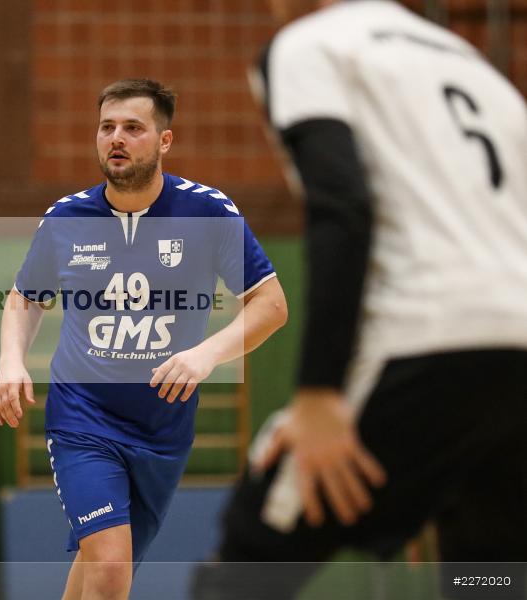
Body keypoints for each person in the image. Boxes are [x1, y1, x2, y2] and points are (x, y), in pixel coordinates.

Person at [192, 1, 527, 598]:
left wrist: (320, 395)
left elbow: (342, 206)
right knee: (490, 571)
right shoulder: (477, 68)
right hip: (517, 354)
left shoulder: (311, 45)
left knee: (250, 560)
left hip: (431, 336)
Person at [0, 78, 288, 600]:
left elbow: (272, 306)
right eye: (107, 127)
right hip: (83, 418)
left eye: (133, 127)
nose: (116, 138)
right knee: (110, 567)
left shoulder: (208, 213)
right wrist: (11, 361)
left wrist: (205, 355)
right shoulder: (67, 218)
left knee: (97, 568)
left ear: (164, 141)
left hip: (162, 430)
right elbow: (24, 298)